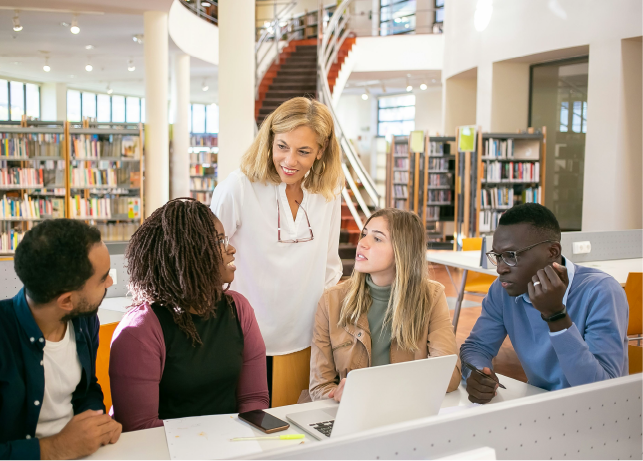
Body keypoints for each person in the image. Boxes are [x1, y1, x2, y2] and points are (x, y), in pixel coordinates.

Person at [0, 219, 121, 461]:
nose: (110, 282)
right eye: (103, 278)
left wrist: (95, 423)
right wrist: (54, 449)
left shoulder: (83, 319)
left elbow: (87, 387)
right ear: (66, 301)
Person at [210, 97, 344, 395]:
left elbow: (329, 264)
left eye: (304, 151)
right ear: (270, 139)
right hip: (244, 338)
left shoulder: (329, 191)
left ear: (321, 151)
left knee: (296, 430)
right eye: (282, 146)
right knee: (251, 429)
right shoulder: (238, 187)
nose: (290, 160)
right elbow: (208, 260)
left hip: (308, 337)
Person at [109, 199, 269, 432]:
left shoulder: (239, 309)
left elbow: (254, 400)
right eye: (220, 241)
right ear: (189, 252)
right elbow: (141, 428)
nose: (231, 248)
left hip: (232, 444)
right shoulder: (139, 332)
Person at [460, 203, 629, 404]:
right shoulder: (502, 290)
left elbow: (602, 395)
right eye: (498, 257)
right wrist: (477, 373)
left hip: (595, 419)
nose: (500, 269)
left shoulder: (600, 291)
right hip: (540, 408)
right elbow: (477, 347)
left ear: (552, 251)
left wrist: (555, 315)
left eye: (511, 256)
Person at [310, 208, 462, 402]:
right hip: (348, 413)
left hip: (405, 412)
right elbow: (319, 387)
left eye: (377, 238)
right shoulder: (331, 300)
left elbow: (449, 376)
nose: (362, 243)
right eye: (364, 234)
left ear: (403, 249)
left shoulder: (431, 296)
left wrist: (378, 393)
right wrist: (337, 394)